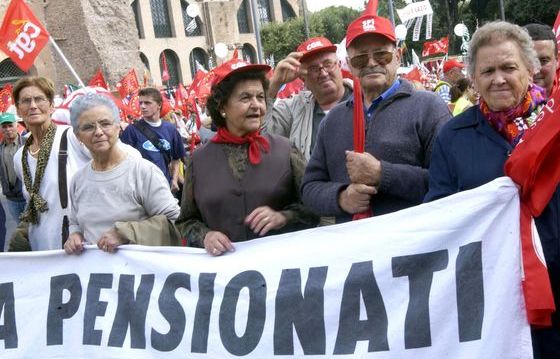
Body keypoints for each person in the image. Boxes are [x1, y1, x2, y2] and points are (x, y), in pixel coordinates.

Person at [424, 21, 559, 358]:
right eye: (487, 71)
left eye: (508, 67)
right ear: (473, 78)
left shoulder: (554, 127)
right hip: (492, 296)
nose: (498, 78)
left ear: (530, 69)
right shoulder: (452, 137)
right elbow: (439, 212)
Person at [301, 4, 450, 223]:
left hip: (414, 248)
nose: (371, 63)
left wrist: (383, 174)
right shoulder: (332, 120)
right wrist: (341, 198)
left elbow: (449, 180)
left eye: (382, 55)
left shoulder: (429, 108)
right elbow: (310, 189)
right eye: (361, 59)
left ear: (398, 56)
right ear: (350, 65)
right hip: (355, 251)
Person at [175, 58, 319, 256]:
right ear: (222, 107)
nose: (256, 105)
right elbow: (186, 221)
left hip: (282, 267)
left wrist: (284, 217)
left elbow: (314, 206)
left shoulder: (286, 149)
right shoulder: (198, 160)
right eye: (245, 98)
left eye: (260, 97)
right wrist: (205, 236)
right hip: (225, 275)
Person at [11, 76, 139, 252]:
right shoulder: (20, 157)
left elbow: (129, 158)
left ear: (51, 105)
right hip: (42, 248)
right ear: (18, 109)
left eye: (39, 99)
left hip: (81, 246)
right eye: (26, 101)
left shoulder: (72, 137)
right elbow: (35, 201)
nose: (33, 105)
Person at [63, 93, 180, 254]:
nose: (98, 132)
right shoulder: (78, 180)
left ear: (118, 127)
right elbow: (75, 222)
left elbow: (173, 221)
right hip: (96, 275)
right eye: (88, 127)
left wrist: (126, 233)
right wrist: (75, 235)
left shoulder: (143, 172)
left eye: (105, 124)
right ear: (78, 136)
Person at [263, 36, 352, 161]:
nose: (324, 73)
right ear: (302, 78)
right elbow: (262, 138)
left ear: (339, 65)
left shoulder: (366, 98)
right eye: (314, 69)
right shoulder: (293, 109)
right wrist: (275, 83)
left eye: (328, 64)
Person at [120, 87, 186, 192]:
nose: (142, 106)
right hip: (142, 190)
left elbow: (176, 159)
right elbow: (122, 162)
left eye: (147, 103)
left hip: (166, 188)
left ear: (159, 105)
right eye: (140, 103)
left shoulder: (170, 129)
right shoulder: (131, 131)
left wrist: (174, 179)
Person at [0, 112, 25, 223]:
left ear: (16, 125)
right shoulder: (0, 148)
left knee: (34, 231)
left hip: (27, 198)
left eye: (10, 125)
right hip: (11, 199)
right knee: (20, 232)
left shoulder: (27, 143)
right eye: (4, 126)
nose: (8, 129)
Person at [524, 23, 558, 98]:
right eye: (528, 61)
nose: (535, 70)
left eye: (543, 61)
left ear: (557, 61)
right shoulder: (499, 104)